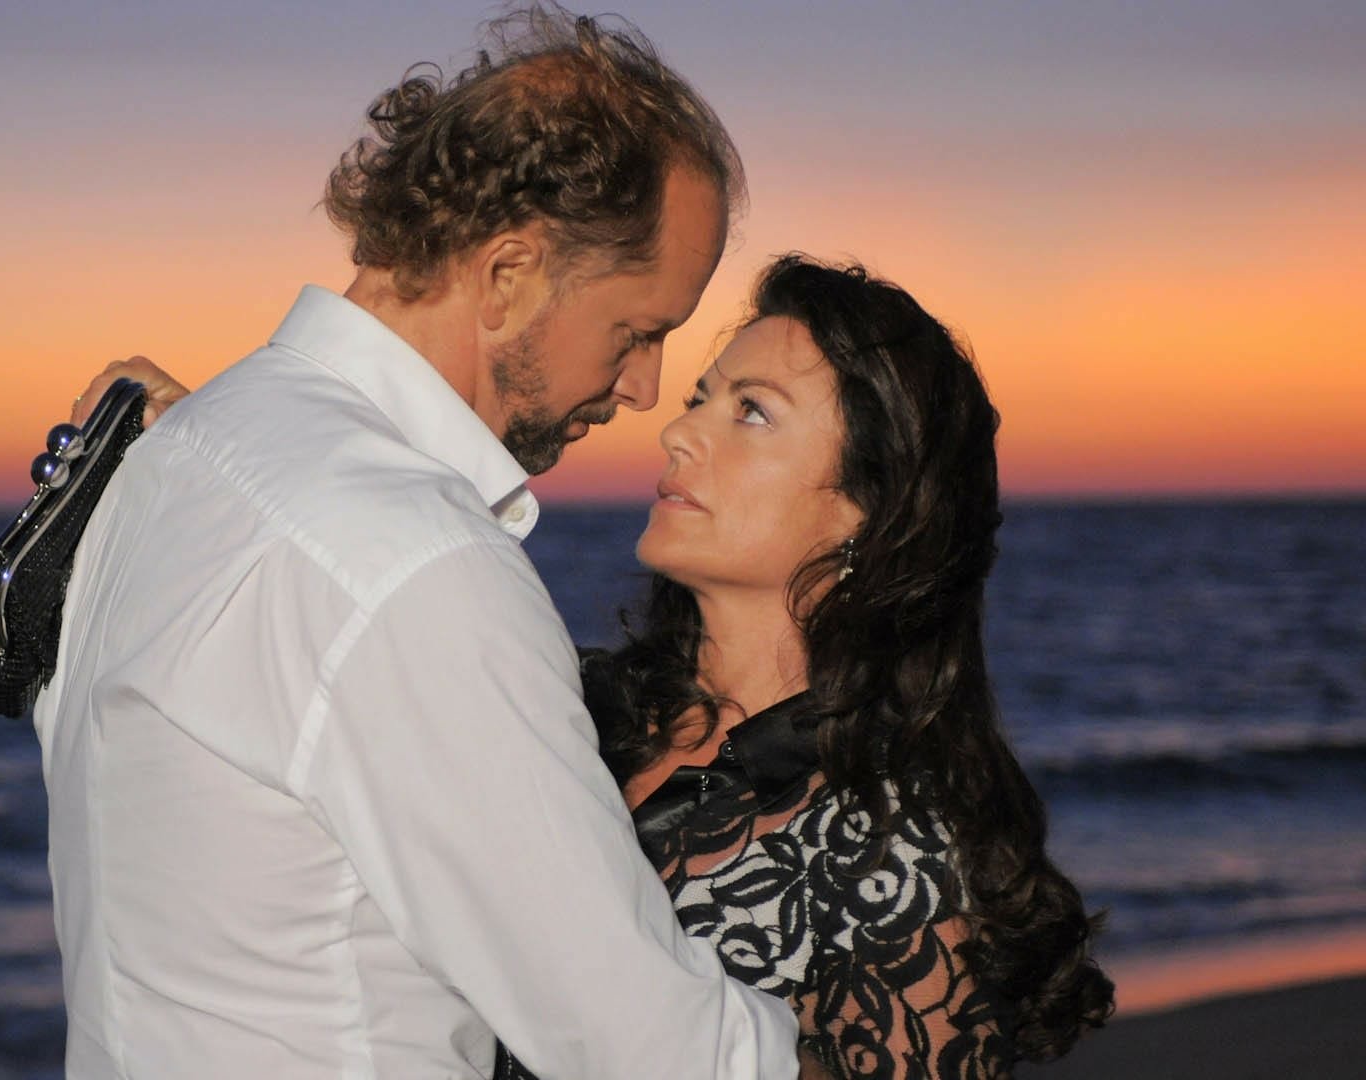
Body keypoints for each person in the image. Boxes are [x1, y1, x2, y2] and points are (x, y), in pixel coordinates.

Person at [78, 257, 1116, 1079]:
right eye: (702, 396)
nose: (680, 430)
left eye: (750, 411)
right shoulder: (573, 706)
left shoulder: (894, 851)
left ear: (867, 513)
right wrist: (228, 463)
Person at [32, 7, 803, 1079]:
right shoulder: (412, 567)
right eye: (637, 333)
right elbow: (646, 1048)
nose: (643, 389)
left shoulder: (170, 462)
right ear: (509, 275)